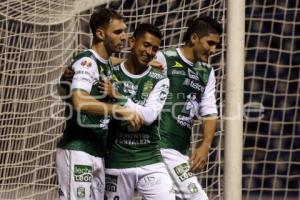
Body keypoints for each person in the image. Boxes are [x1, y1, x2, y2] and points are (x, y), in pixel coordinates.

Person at [56, 8, 142, 200]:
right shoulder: (87, 62)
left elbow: (119, 61)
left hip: (96, 151)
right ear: (100, 34)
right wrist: (119, 110)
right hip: (78, 149)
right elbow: (79, 100)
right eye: (118, 32)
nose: (124, 37)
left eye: (125, 31)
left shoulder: (106, 62)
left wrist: (148, 62)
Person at [100, 23, 175, 200]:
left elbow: (148, 116)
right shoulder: (110, 73)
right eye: (146, 45)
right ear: (133, 42)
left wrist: (119, 96)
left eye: (155, 48)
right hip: (116, 162)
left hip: (150, 161)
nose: (149, 52)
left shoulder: (160, 79)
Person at [155, 16, 222, 200]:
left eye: (216, 45)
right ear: (194, 38)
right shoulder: (164, 58)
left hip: (180, 150)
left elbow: (209, 111)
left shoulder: (207, 72)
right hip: (160, 146)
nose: (213, 50)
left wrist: (205, 145)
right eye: (210, 43)